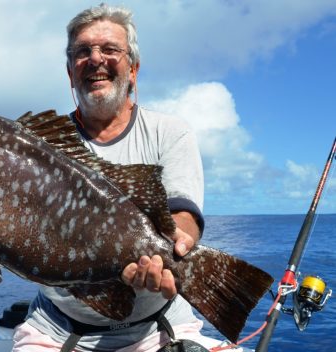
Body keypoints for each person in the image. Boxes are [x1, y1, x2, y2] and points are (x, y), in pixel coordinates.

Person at [12, 4, 239, 352]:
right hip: (55, 327)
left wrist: (172, 248)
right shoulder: (37, 143)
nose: (95, 59)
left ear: (132, 69)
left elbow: (183, 212)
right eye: (82, 52)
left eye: (110, 50)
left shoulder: (170, 132)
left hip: (157, 325)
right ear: (71, 73)